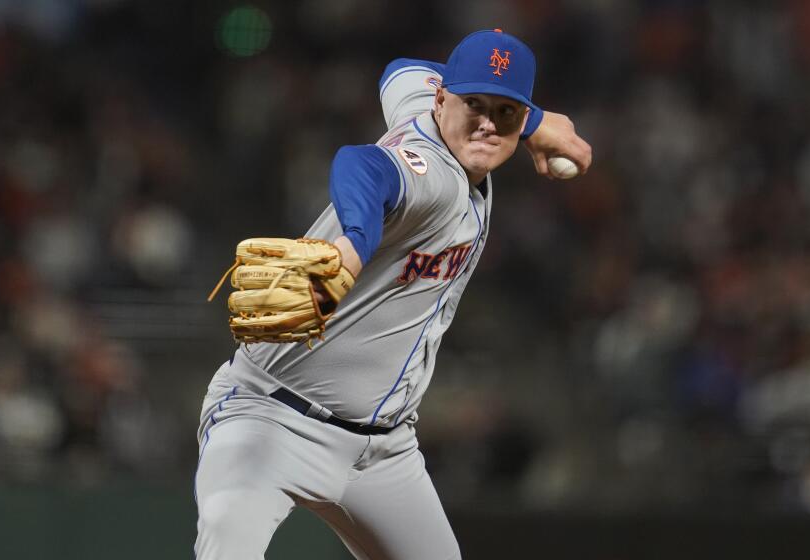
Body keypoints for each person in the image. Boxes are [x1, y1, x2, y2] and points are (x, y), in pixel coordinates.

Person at [194, 29, 592, 560]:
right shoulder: (433, 177)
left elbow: (401, 67)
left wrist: (538, 122)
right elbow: (362, 165)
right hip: (269, 417)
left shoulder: (426, 103)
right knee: (226, 544)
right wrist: (354, 245)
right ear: (442, 99)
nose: (487, 124)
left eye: (507, 113)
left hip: (382, 453)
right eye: (474, 103)